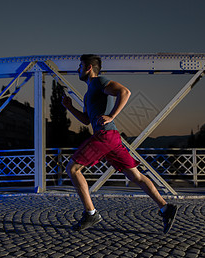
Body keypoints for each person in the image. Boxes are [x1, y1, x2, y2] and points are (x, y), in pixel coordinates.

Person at [62, 54, 177, 234]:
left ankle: (91, 213)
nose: (78, 69)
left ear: (88, 67)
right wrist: (69, 107)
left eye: (80, 66)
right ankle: (165, 208)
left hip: (105, 136)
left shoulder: (99, 82)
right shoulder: (88, 93)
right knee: (135, 176)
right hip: (112, 138)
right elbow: (86, 120)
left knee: (73, 169)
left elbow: (125, 92)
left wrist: (112, 116)